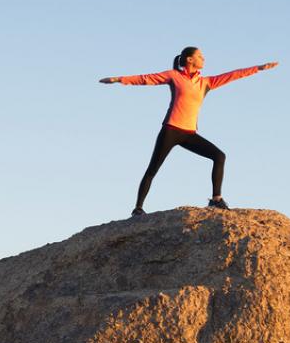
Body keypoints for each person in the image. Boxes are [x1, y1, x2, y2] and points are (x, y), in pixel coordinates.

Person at [100, 47, 278, 216]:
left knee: (219, 156)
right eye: (200, 56)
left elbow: (232, 75)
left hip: (189, 134)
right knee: (153, 169)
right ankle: (138, 208)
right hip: (171, 130)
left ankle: (216, 199)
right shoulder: (174, 76)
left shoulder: (205, 82)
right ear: (189, 59)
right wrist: (119, 79)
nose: (204, 58)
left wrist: (259, 68)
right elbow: (147, 78)